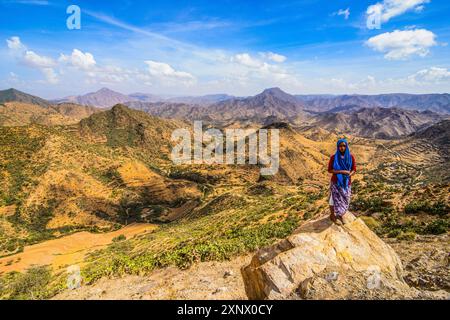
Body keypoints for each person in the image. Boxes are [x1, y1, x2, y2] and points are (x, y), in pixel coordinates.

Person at [328, 138, 356, 225]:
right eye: (340, 146)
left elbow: (354, 169)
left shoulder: (350, 157)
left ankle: (340, 215)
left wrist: (349, 174)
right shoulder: (334, 157)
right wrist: (341, 172)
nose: (342, 148)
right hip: (336, 182)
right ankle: (332, 215)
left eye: (344, 146)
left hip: (346, 182)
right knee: (333, 199)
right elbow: (330, 170)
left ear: (346, 146)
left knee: (345, 199)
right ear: (337, 147)